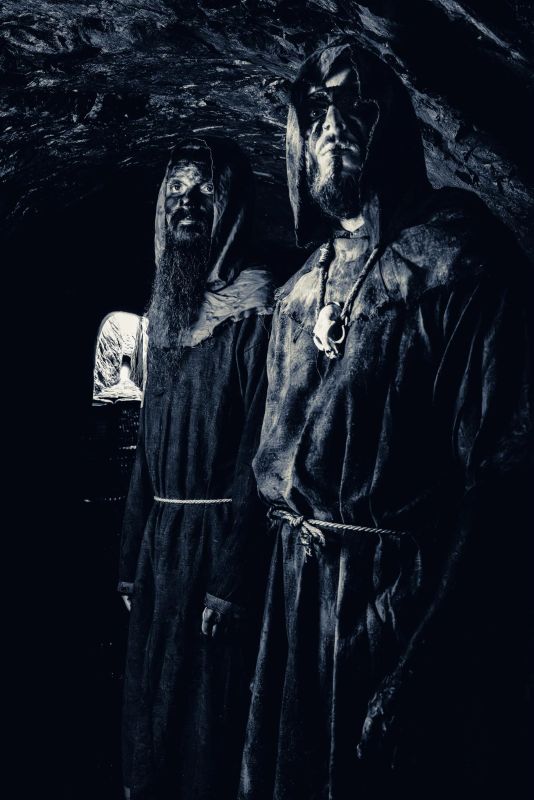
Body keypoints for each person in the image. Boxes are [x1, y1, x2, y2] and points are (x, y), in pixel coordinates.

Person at [239, 40, 533, 799]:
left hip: (396, 608)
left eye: (356, 104)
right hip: (296, 607)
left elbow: (502, 483)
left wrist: (422, 659)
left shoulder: (459, 263)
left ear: (394, 124)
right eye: (317, 109)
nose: (334, 123)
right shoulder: (297, 293)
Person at [118, 136, 274, 800]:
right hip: (161, 545)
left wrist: (232, 577)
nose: (187, 204)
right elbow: (148, 449)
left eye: (205, 191)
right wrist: (131, 557)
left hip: (215, 544)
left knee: (209, 713)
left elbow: (259, 452)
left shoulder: (256, 310)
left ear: (231, 207)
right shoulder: (163, 313)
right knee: (152, 701)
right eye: (176, 192)